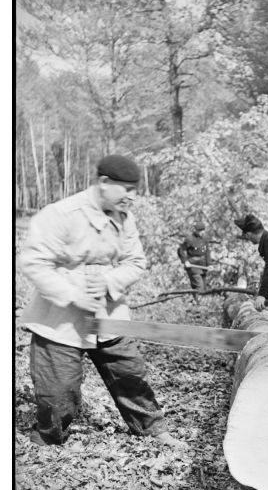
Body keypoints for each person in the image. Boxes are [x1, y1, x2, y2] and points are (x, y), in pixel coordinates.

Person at [19, 155, 183, 448]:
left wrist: (109, 282)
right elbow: (34, 262)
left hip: (108, 316)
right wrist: (73, 294)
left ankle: (153, 431)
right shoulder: (61, 214)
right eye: (127, 189)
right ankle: (48, 439)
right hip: (60, 321)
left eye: (136, 189)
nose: (133, 196)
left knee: (131, 375)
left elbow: (136, 261)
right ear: (105, 183)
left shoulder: (124, 218)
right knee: (59, 395)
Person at [177, 222, 211, 294]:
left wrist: (209, 264)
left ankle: (200, 302)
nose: (201, 232)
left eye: (203, 230)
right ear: (195, 230)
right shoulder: (189, 239)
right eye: (199, 231)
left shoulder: (205, 238)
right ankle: (199, 303)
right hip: (193, 265)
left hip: (203, 265)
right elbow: (181, 250)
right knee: (199, 286)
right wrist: (185, 261)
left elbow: (207, 251)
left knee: (204, 287)